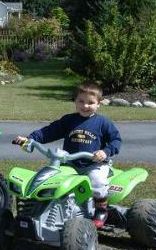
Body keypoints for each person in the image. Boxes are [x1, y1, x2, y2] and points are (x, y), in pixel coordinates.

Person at [13, 82, 121, 228]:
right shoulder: (69, 120)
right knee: (50, 181)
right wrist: (31, 139)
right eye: (81, 101)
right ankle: (41, 212)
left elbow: (116, 140)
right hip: (70, 163)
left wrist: (105, 152)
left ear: (98, 104)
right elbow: (49, 131)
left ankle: (101, 210)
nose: (85, 106)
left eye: (91, 103)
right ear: (75, 101)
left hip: (94, 165)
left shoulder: (103, 122)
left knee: (97, 182)